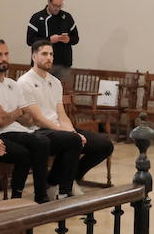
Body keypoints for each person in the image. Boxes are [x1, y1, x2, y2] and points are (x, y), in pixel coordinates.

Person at [21, 41, 112, 197]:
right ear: (34, 56)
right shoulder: (24, 82)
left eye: (51, 54)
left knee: (104, 145)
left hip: (58, 129)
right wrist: (70, 134)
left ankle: (65, 178)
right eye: (44, 54)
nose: (49, 58)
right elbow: (38, 119)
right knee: (71, 141)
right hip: (38, 132)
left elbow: (61, 114)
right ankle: (65, 190)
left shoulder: (55, 82)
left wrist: (71, 131)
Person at [0, 39, 52, 203]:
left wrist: (10, 114)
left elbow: (29, 120)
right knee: (39, 144)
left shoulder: (13, 84)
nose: (4, 58)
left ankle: (23, 195)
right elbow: (0, 121)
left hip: (20, 131)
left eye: (6, 54)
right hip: (1, 134)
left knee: (39, 144)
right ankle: (38, 196)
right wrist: (18, 112)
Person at [26, 0, 80, 81]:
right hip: (42, 63)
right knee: (41, 91)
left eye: (60, 6)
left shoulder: (67, 17)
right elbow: (30, 40)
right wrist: (49, 40)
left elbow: (76, 39)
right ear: (48, 2)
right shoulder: (37, 18)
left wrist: (68, 39)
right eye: (54, 5)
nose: (57, 9)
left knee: (61, 92)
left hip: (63, 65)